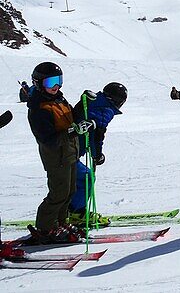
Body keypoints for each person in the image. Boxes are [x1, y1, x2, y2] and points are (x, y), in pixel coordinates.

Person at [25, 62, 94, 243]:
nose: (56, 87)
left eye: (58, 81)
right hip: (56, 157)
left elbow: (71, 117)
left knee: (70, 191)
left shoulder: (59, 100)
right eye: (51, 83)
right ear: (39, 83)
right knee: (58, 194)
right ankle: (45, 228)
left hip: (70, 153)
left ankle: (60, 223)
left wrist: (83, 102)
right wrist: (73, 131)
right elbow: (48, 139)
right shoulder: (39, 109)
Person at [69, 82, 127, 227]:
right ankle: (77, 213)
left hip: (69, 149)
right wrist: (97, 155)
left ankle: (70, 211)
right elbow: (97, 136)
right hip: (70, 152)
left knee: (75, 181)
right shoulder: (105, 110)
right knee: (87, 177)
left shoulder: (94, 101)